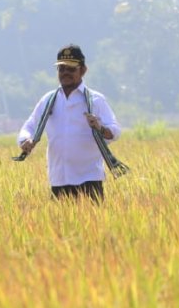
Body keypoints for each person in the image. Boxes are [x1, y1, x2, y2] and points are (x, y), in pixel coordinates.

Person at [16, 44, 126, 201]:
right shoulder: (48, 100)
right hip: (59, 179)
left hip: (89, 179)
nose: (65, 73)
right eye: (61, 69)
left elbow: (115, 132)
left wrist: (100, 127)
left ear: (83, 70)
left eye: (71, 69)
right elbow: (29, 126)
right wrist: (25, 140)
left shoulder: (95, 100)